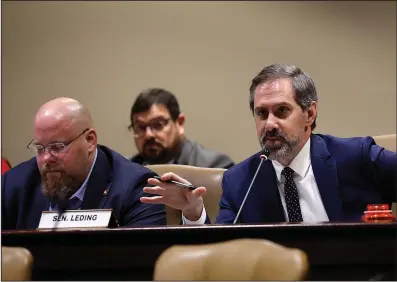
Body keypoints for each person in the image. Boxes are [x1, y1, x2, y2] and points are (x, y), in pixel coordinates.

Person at [140, 64, 396, 224]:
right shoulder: (240, 180)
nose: (270, 124)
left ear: (309, 114)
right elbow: (221, 252)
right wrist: (195, 212)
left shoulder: (355, 156)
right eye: (262, 113)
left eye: (282, 111)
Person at [2, 97, 166, 230]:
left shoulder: (138, 188)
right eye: (40, 148)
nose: (46, 159)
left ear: (89, 140)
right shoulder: (12, 185)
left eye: (57, 147)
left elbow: (141, 262)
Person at [129, 88, 234, 169]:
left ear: (179, 123)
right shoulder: (124, 173)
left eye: (158, 124)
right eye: (141, 127)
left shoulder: (214, 167)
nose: (148, 134)